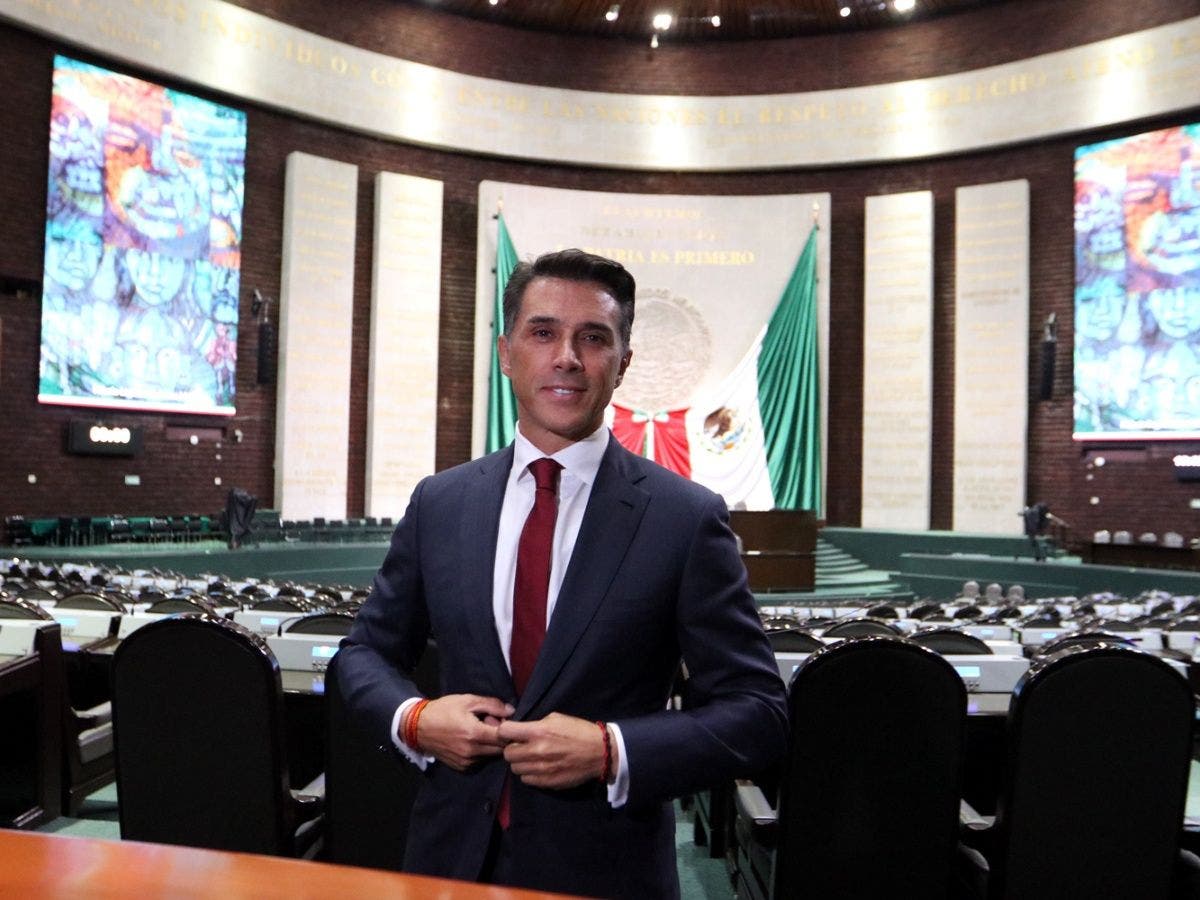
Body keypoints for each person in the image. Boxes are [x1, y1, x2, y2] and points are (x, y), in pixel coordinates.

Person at [337, 248, 788, 898]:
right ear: (506, 352)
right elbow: (364, 654)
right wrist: (415, 719)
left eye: (594, 338)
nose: (567, 357)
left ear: (623, 363)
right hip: (449, 859)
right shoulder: (441, 502)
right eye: (543, 332)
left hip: (607, 871)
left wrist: (612, 749)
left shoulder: (685, 518)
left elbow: (759, 711)